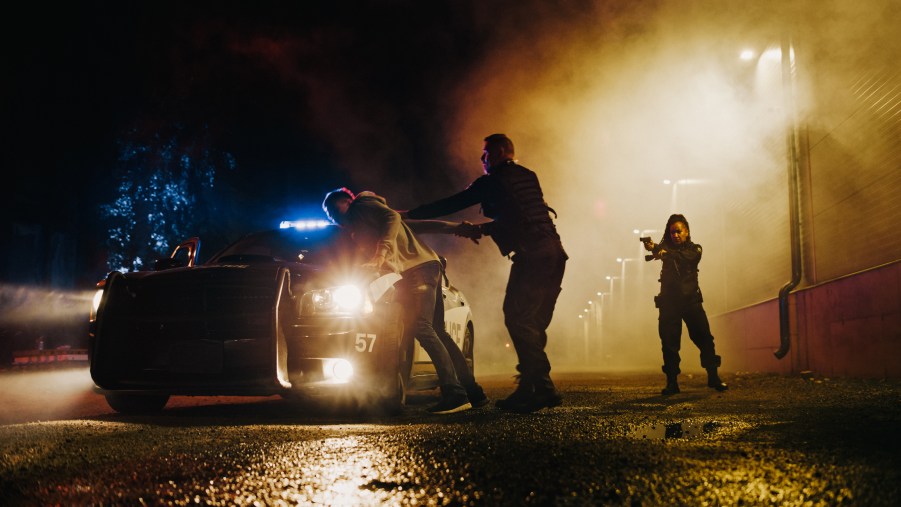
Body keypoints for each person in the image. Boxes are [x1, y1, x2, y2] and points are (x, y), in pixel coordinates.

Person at [401, 133, 567, 413]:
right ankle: (530, 387)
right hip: (555, 254)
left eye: (486, 153)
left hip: (533, 256)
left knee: (518, 319)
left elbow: (453, 203)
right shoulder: (528, 175)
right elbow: (522, 214)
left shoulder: (493, 182)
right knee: (532, 322)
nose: (483, 160)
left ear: (501, 152)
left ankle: (543, 389)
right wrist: (485, 228)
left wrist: (408, 214)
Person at [321, 187, 489, 414]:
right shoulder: (370, 219)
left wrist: (381, 254)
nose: (331, 215)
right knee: (438, 332)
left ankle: (455, 394)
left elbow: (393, 218)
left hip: (416, 270)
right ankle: (473, 392)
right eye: (328, 213)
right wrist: (457, 228)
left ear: (347, 201)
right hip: (428, 266)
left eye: (333, 208)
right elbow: (419, 224)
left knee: (421, 326)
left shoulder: (362, 207)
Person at [642, 214, 728, 395]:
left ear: (687, 232)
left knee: (704, 338)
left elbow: (685, 257)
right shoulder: (664, 249)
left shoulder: (695, 249)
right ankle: (672, 383)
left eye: (679, 231)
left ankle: (713, 376)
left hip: (691, 302)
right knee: (669, 343)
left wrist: (663, 252)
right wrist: (653, 247)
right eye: (672, 232)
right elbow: (659, 250)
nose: (675, 235)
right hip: (669, 303)